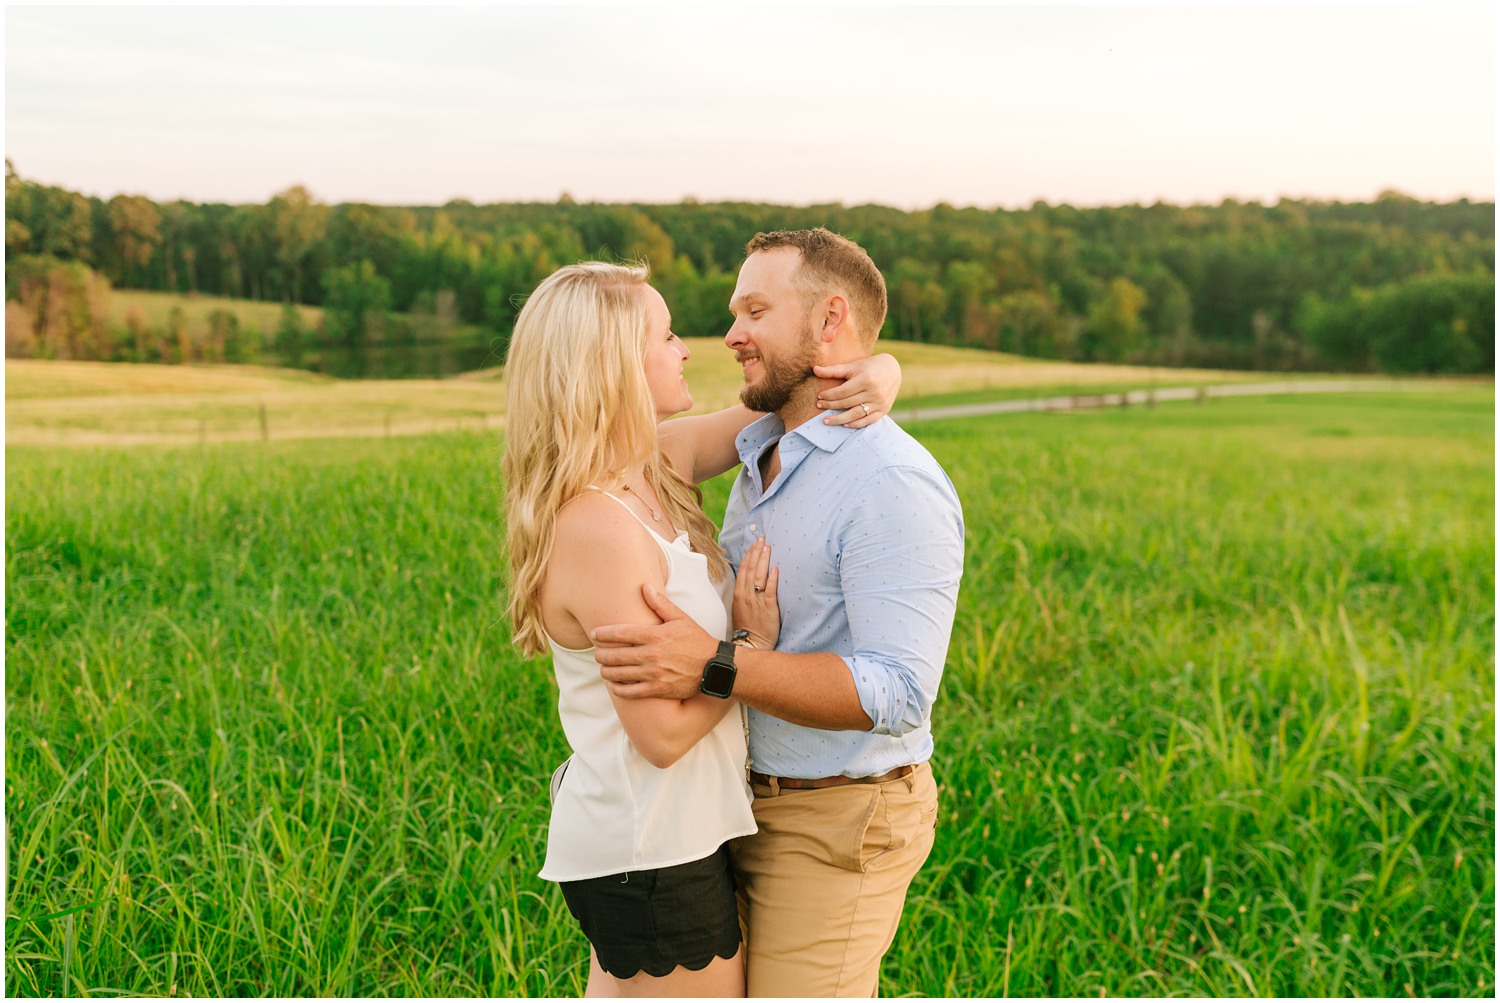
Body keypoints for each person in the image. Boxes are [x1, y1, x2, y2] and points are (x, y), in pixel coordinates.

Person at [501, 260, 902, 997]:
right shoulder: (598, 526)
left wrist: (880, 367)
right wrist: (746, 649)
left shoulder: (656, 464)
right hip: (651, 846)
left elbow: (787, 402)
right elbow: (659, 736)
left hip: (676, 832)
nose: (690, 347)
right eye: (667, 334)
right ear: (614, 365)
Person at [592, 229, 965, 997]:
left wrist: (720, 660)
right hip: (731, 800)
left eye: (755, 311)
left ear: (830, 322)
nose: (729, 335)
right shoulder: (759, 444)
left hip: (836, 816)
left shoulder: (889, 481)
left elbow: (897, 693)